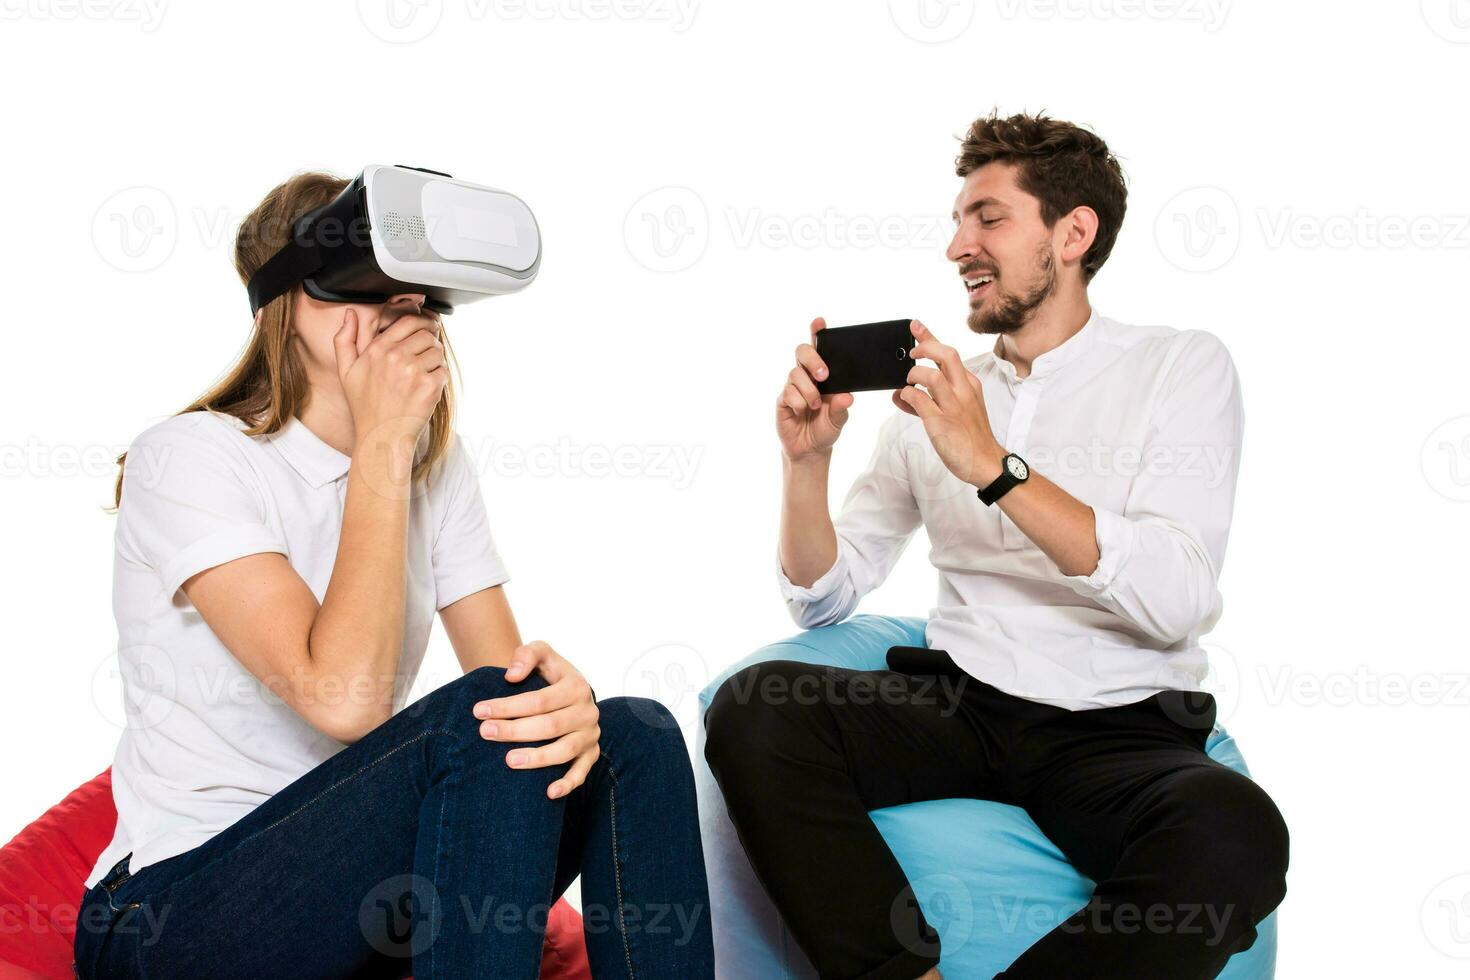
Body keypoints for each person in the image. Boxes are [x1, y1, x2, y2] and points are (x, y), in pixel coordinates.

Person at [73, 171, 714, 979]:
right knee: (484, 718)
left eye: (413, 295)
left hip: (357, 906)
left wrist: (567, 709)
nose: (399, 312)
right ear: (288, 306)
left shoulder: (432, 468)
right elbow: (343, 699)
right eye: (364, 289)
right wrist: (381, 437)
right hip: (169, 917)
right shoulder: (191, 458)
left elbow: (504, 690)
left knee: (635, 735)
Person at [704, 111, 1288, 979]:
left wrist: (994, 466)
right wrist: (807, 463)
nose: (957, 247)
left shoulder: (1180, 367)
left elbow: (1178, 599)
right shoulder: (940, 401)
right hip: (967, 704)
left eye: (988, 217)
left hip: (1120, 729)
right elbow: (822, 594)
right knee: (755, 707)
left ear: (1073, 233)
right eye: (956, 221)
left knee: (1236, 830)